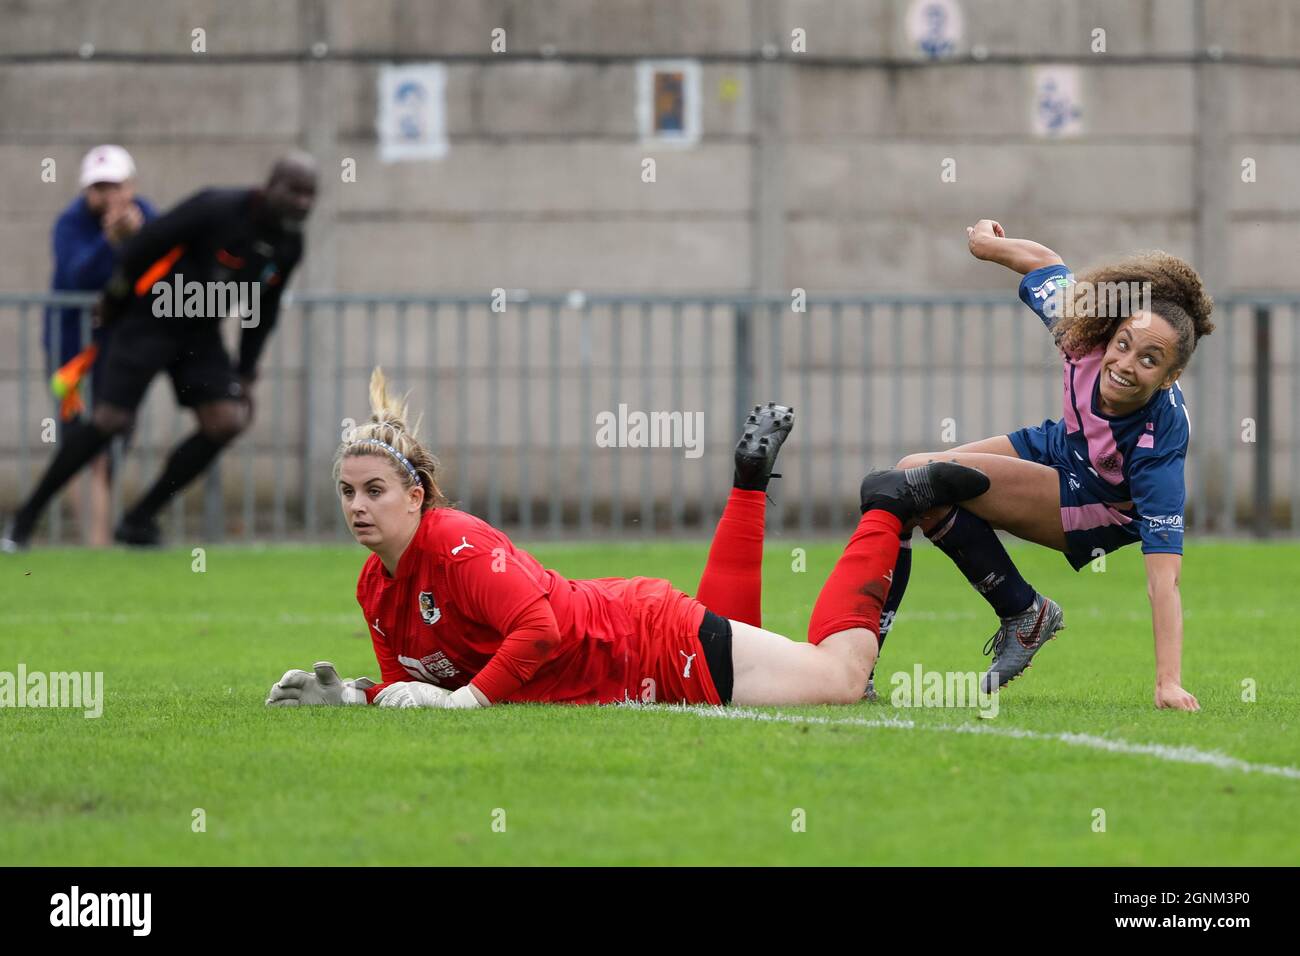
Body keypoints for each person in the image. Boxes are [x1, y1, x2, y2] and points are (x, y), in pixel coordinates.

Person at [265, 370, 991, 710]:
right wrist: (358, 699)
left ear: (416, 497)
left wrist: (470, 703)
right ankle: (748, 489)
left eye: (375, 492)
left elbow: (538, 629)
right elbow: (414, 690)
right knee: (750, 640)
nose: (358, 507)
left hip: (645, 639)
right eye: (347, 493)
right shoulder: (374, 587)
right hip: (642, 650)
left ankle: (885, 507)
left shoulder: (455, 542)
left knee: (841, 682)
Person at [874, 219, 1213, 711]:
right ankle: (1019, 612)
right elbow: (1044, 263)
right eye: (1124, 344)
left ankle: (862, 662)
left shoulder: (1159, 440)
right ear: (1111, 332)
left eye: (1149, 359)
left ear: (1170, 376)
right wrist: (988, 246)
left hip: (1097, 506)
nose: (1125, 363)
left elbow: (1165, 576)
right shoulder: (1082, 333)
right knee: (910, 473)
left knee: (925, 483)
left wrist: (1168, 682)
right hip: (1059, 447)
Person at [3, 153, 318, 552]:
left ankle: (139, 519)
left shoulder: (290, 243)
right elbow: (149, 242)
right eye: (295, 191)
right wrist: (116, 300)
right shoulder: (216, 205)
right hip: (150, 318)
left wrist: (246, 370)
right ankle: (25, 519)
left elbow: (264, 309)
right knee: (109, 420)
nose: (303, 202)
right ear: (271, 184)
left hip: (200, 332)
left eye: (311, 195)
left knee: (227, 420)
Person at [44, 145, 158, 546]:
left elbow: (162, 269)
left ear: (130, 185)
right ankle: (93, 540)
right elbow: (78, 276)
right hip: (72, 352)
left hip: (123, 349)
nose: (108, 195)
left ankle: (102, 538)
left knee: (113, 444)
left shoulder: (147, 215)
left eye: (115, 185)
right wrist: (112, 240)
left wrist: (138, 236)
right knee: (79, 442)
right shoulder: (71, 223)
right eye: (99, 187)